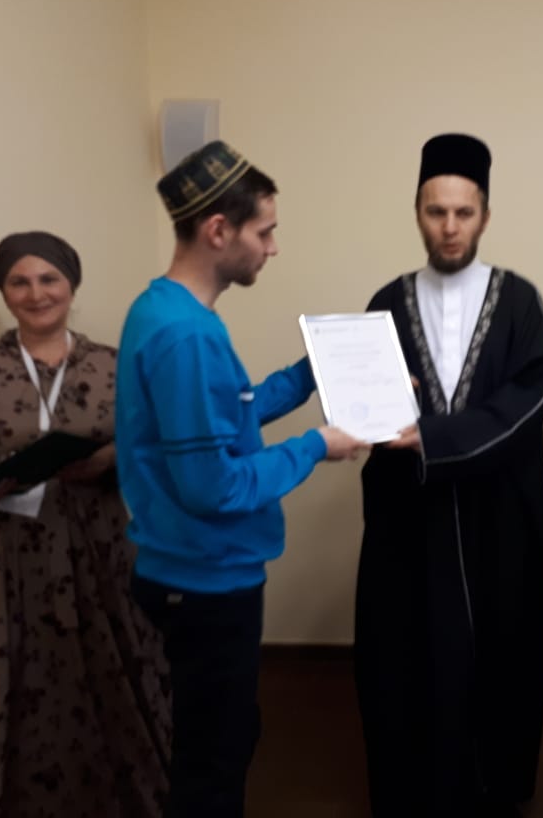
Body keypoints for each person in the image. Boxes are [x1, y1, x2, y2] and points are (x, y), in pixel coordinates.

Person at [115, 140, 367, 818]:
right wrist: (316, 445)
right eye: (265, 231)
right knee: (212, 764)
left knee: (221, 739)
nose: (273, 248)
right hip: (204, 584)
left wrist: (316, 370)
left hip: (184, 572)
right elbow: (215, 487)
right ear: (218, 230)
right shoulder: (188, 336)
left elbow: (228, 417)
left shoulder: (161, 309)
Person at [0, 231, 171, 818]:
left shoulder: (112, 365)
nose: (36, 294)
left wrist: (108, 460)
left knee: (112, 682)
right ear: (4, 291)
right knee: (1, 694)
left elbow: (155, 452)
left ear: (72, 285)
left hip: (99, 558)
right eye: (19, 282)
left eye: (49, 279)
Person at [354, 133, 543, 817]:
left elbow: (534, 389)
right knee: (406, 651)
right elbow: (364, 393)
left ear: (485, 216)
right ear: (417, 213)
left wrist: (437, 438)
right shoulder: (386, 299)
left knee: (501, 648)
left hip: (498, 514)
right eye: (435, 211)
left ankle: (492, 787)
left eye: (463, 213)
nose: (449, 227)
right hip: (409, 517)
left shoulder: (519, 299)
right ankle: (413, 789)